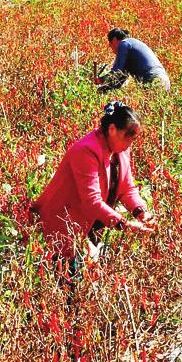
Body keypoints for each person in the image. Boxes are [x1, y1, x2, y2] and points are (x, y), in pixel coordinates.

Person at [31, 101, 156, 279]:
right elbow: (91, 200)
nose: (130, 144)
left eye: (133, 139)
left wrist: (140, 211)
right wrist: (123, 224)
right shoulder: (86, 150)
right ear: (112, 129)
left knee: (85, 279)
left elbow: (127, 187)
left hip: (90, 224)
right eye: (127, 136)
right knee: (67, 280)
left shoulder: (121, 150)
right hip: (66, 224)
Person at [94, 27, 170, 92]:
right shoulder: (132, 44)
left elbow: (116, 72)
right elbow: (119, 80)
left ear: (114, 40)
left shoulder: (124, 44)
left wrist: (100, 80)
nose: (111, 49)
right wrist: (103, 89)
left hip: (152, 79)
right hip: (164, 80)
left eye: (110, 45)